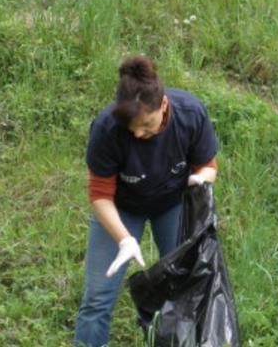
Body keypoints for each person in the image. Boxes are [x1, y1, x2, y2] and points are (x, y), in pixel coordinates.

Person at [74, 55, 220, 346]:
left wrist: (202, 179)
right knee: (97, 298)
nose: (139, 133)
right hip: (121, 207)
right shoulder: (106, 129)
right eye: (132, 128)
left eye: (146, 124)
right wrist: (124, 240)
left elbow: (209, 165)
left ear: (163, 105)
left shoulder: (190, 114)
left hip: (173, 204)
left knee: (184, 290)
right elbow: (100, 195)